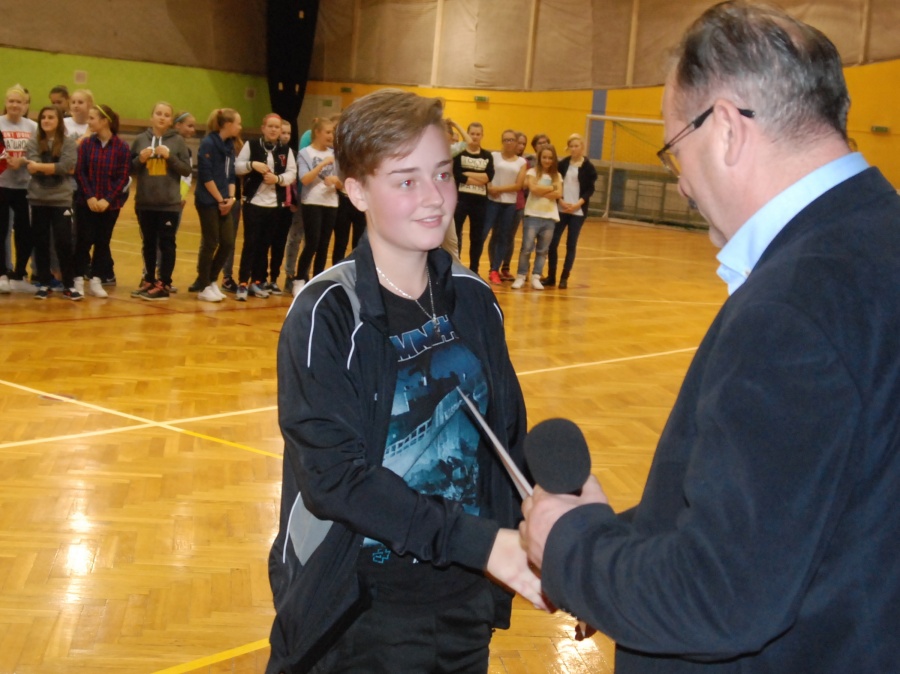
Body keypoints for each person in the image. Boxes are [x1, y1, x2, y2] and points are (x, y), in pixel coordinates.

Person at [520, 2, 900, 673]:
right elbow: (807, 505)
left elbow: (722, 596)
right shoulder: (877, 239)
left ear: (724, 128)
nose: (682, 184)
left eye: (674, 150)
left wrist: (570, 547)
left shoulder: (794, 305)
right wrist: (619, 547)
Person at [266, 88, 543, 674]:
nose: (435, 198)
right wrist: (482, 544)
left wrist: (562, 548)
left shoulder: (474, 298)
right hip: (361, 611)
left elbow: (507, 438)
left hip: (464, 602)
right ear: (357, 191)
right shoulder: (326, 313)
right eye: (406, 180)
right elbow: (334, 479)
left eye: (441, 174)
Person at [129, 102, 192, 300]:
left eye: (166, 115)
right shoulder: (140, 140)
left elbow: (186, 170)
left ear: (171, 120)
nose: (162, 117)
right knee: (148, 243)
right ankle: (148, 280)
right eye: (158, 113)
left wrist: (170, 157)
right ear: (152, 117)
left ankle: (164, 283)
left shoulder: (178, 141)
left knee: (166, 244)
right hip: (145, 202)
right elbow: (128, 169)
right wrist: (139, 160)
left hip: (169, 204)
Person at [234, 113, 297, 300]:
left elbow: (291, 173)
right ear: (263, 128)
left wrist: (277, 179)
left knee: (264, 244)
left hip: (274, 205)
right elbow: (237, 167)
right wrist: (252, 165)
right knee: (250, 243)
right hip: (254, 203)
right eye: (270, 126)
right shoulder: (251, 145)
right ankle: (243, 282)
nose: (273, 130)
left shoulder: (286, 150)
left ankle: (257, 281)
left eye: (277, 127)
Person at [73, 104, 130, 299]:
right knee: (83, 240)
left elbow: (122, 177)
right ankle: (78, 278)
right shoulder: (86, 144)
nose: (88, 122)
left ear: (105, 121)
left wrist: (107, 199)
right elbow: (80, 172)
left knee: (102, 241)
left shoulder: (122, 147)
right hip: (86, 202)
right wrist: (90, 196)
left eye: (92, 118)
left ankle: (96, 279)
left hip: (110, 205)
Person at [24, 105, 80, 300]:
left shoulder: (68, 142)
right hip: (38, 198)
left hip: (61, 199)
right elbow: (31, 166)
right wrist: (51, 167)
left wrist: (40, 166)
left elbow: (67, 166)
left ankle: (69, 284)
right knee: (41, 242)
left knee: (64, 241)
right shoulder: (33, 142)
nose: (46, 121)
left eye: (51, 117)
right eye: (43, 117)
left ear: (59, 121)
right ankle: (44, 283)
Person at [193, 108, 240, 302]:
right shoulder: (208, 143)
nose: (240, 127)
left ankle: (212, 279)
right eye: (238, 123)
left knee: (227, 242)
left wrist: (231, 198)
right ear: (227, 125)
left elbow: (231, 175)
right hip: (208, 201)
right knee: (211, 242)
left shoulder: (229, 145)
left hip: (225, 201)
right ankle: (203, 285)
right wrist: (220, 200)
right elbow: (206, 176)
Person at [542, 133, 597, 289]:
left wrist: (578, 204)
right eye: (571, 146)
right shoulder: (563, 164)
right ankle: (551, 275)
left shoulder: (588, 167)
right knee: (553, 242)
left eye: (576, 146)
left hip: (577, 211)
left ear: (582, 147)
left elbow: (590, 189)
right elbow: (556, 183)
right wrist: (560, 200)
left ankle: (564, 277)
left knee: (571, 244)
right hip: (561, 208)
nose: (573, 149)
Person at [292, 117, 340, 294]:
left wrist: (336, 180)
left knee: (324, 245)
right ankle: (299, 279)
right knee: (312, 242)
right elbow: (305, 179)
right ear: (317, 133)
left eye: (332, 132)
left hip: (331, 203)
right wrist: (322, 164)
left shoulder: (335, 154)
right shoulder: (305, 153)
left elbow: (342, 182)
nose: (331, 136)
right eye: (327, 132)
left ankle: (318, 280)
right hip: (312, 201)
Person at [0, 84, 38, 294]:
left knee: (25, 231)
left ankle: (19, 273)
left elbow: (38, 154)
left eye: (19, 102)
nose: (14, 105)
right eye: (11, 101)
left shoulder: (32, 127)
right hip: (2, 184)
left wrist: (22, 161)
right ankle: (2, 274)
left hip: (24, 187)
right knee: (1, 229)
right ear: (6, 103)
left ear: (25, 105)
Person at [511, 144, 561, 290]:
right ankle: (521, 276)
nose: (547, 160)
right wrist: (552, 187)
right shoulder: (532, 172)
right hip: (532, 215)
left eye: (550, 158)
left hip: (550, 217)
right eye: (544, 157)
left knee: (542, 250)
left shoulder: (557, 176)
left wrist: (543, 190)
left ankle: (536, 276)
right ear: (539, 158)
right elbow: (533, 189)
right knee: (526, 248)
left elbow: (558, 194)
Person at [484, 129, 526, 285]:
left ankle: (495, 270)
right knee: (483, 233)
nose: (508, 143)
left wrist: (498, 189)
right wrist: (489, 187)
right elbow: (486, 174)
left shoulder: (521, 162)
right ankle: (474, 267)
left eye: (511, 140)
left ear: (516, 142)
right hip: (491, 201)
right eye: (506, 140)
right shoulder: (493, 156)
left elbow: (518, 185)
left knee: (503, 237)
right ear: (502, 142)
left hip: (509, 204)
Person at [452, 122, 494, 275]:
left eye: (478, 134)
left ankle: (474, 269)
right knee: (456, 235)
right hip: (461, 200)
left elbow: (488, 176)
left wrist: (468, 174)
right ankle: (456, 267)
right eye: (472, 134)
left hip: (480, 202)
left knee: (476, 237)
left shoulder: (487, 155)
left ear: (482, 136)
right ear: (468, 134)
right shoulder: (460, 154)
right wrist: (479, 178)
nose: (475, 137)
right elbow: (458, 175)